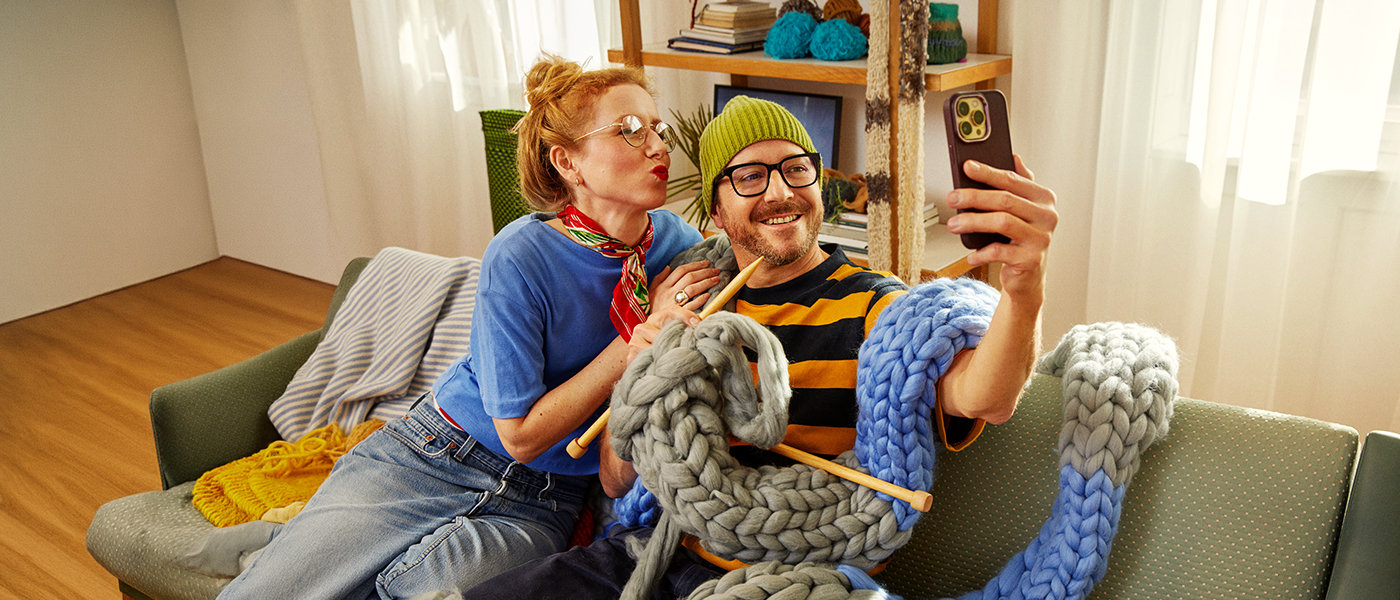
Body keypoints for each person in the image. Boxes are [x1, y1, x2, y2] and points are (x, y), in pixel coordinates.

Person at [460, 95, 1058, 599]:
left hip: (799, 579)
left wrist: (1023, 284)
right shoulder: (690, 300)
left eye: (796, 168)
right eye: (748, 177)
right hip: (652, 558)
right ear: (715, 213)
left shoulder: (876, 307)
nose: (779, 192)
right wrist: (643, 370)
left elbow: (988, 397)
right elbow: (616, 481)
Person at [217, 55, 716, 599]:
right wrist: (633, 340)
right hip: (437, 457)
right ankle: (286, 550)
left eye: (657, 127)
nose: (658, 145)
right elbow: (520, 435)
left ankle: (286, 545)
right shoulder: (520, 254)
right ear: (568, 162)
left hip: (547, 501)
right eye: (629, 130)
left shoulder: (678, 245)